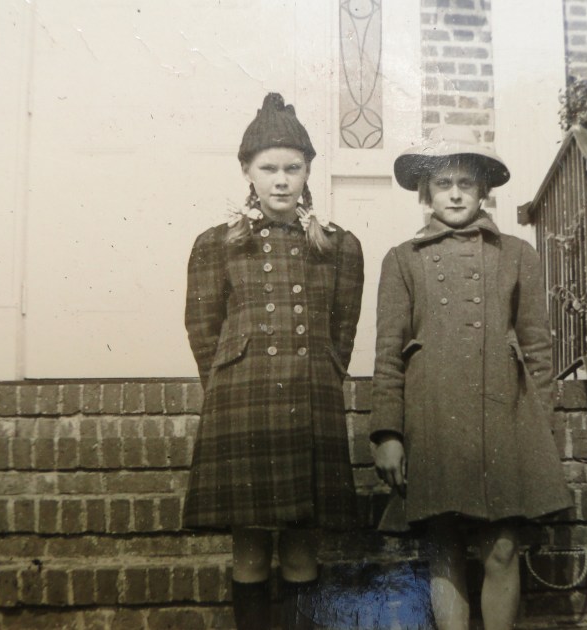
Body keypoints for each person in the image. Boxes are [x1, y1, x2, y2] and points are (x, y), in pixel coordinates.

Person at [371, 126, 572, 630]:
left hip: (504, 420)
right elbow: (388, 355)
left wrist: (540, 427)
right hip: (432, 420)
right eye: (443, 183)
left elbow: (539, 349)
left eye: (466, 182)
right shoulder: (402, 259)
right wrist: (388, 433)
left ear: (485, 190)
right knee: (444, 553)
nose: (455, 193)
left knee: (501, 550)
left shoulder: (516, 253)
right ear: (426, 193)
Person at [184, 93, 364, 630]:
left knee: (303, 546)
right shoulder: (216, 244)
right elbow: (203, 330)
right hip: (243, 402)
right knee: (250, 550)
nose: (282, 180)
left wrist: (321, 374)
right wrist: (226, 384)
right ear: (248, 172)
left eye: (293, 168)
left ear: (308, 171)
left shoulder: (338, 245)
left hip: (310, 401)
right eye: (269, 169)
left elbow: (342, 330)